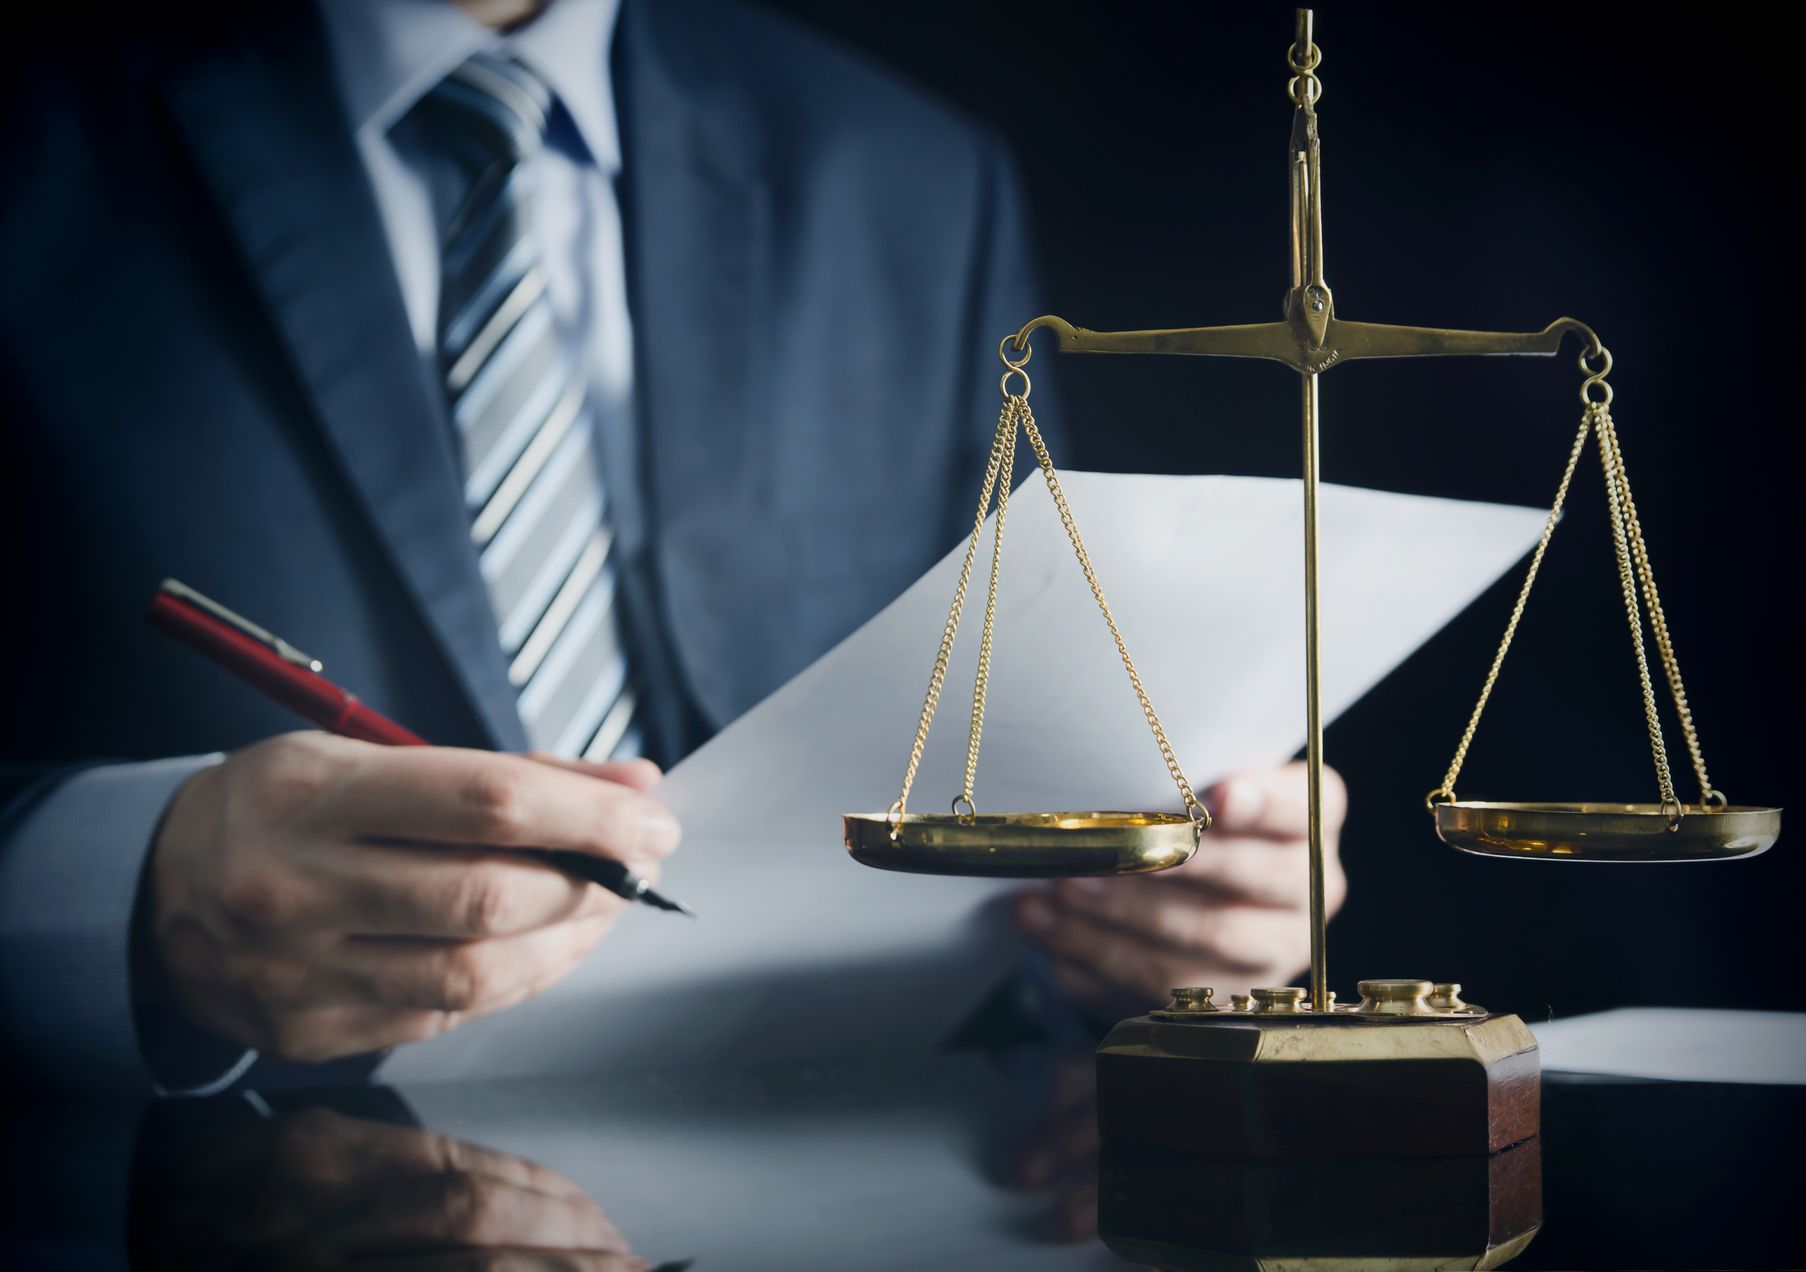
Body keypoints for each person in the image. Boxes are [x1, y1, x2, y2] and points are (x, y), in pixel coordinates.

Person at [0, 0, 1345, 1093]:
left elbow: (1036, 756)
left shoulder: (908, 174)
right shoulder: (46, 136)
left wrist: (1154, 921)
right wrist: (116, 903)